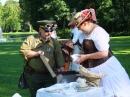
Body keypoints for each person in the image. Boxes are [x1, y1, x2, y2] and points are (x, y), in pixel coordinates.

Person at [70, 8, 130, 97]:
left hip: (106, 69)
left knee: (111, 93)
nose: (78, 29)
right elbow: (84, 49)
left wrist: (86, 57)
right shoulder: (84, 33)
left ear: (86, 23)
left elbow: (104, 53)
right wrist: (79, 56)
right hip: (92, 70)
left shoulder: (98, 32)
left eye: (79, 26)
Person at [20, 20, 66, 97]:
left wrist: (62, 70)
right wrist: (36, 53)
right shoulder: (31, 39)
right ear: (40, 29)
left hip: (50, 75)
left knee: (50, 95)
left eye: (51, 31)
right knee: (36, 95)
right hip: (34, 75)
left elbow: (59, 56)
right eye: (46, 31)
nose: (49, 33)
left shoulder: (54, 42)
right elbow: (23, 52)